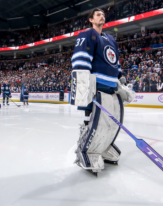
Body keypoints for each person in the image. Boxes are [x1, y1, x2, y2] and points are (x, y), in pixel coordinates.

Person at [70, 8, 135, 176]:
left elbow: (115, 62)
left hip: (111, 87)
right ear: (91, 19)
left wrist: (121, 81)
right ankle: (86, 150)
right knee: (92, 122)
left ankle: (104, 146)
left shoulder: (110, 39)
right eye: (98, 14)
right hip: (96, 87)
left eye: (103, 15)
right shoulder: (88, 34)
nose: (102, 16)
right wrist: (83, 86)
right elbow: (81, 59)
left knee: (112, 123)